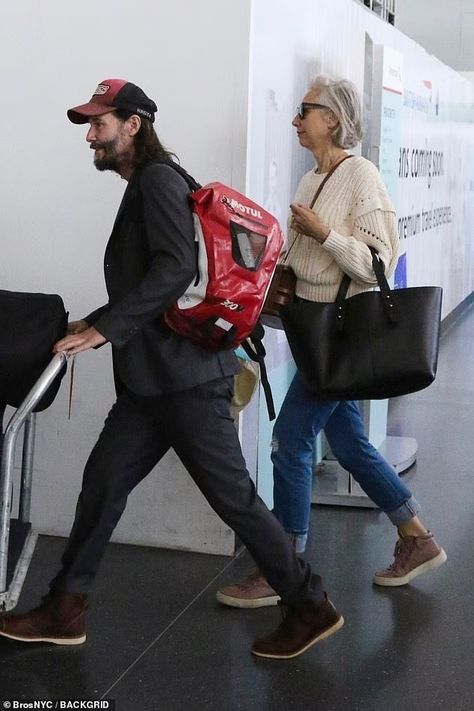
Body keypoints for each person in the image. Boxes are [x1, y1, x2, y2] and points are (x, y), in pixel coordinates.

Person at [0, 78, 344, 659]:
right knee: (103, 485)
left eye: (99, 124)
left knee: (234, 500)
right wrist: (99, 321)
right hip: (153, 383)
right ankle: (65, 609)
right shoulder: (154, 182)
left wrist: (105, 328)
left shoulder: (157, 181)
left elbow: (175, 269)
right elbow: (155, 278)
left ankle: (310, 605)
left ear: (133, 124)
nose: (91, 136)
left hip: (185, 382)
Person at [216, 75, 446, 609]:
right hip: (314, 336)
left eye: (305, 110)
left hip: (340, 338)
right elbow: (304, 262)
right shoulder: (308, 181)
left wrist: (324, 234)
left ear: (333, 119)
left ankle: (284, 568)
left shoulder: (361, 177)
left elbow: (377, 262)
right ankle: (416, 536)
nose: (296, 121)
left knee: (291, 441)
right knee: (347, 443)